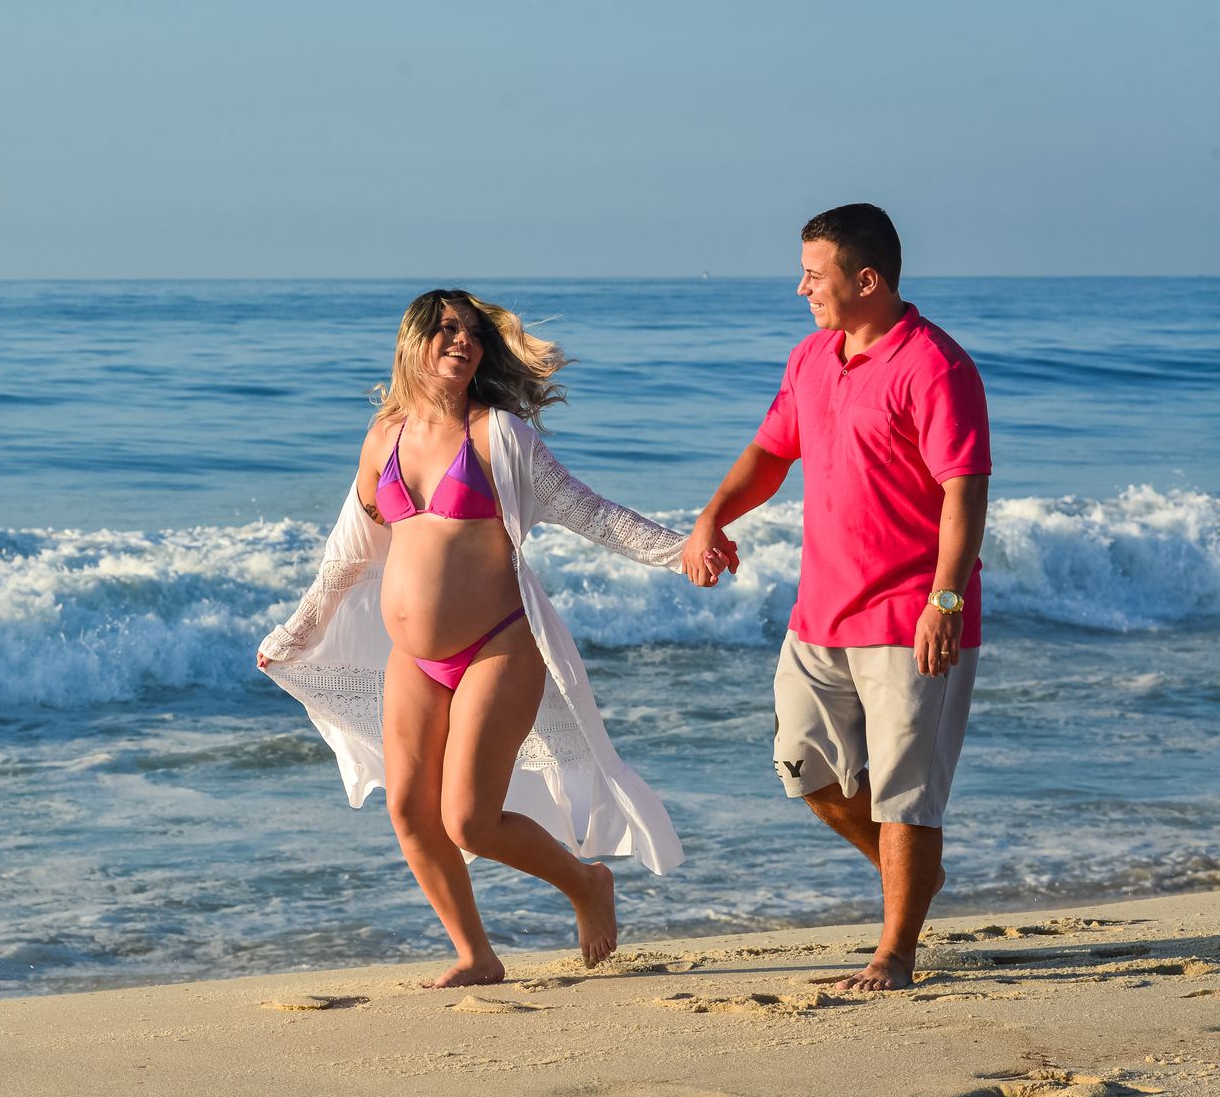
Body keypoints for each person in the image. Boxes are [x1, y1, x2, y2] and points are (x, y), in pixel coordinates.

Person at [256, 289, 725, 988]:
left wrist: (681, 550)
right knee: (410, 812)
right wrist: (296, 632)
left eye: (472, 333)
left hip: (498, 647)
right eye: (445, 329)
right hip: (415, 659)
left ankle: (586, 882)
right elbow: (348, 551)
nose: (461, 341)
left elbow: (592, 514)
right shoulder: (383, 435)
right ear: (412, 342)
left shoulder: (498, 436)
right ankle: (477, 954)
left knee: (469, 821)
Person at [684, 204, 990, 992]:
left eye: (814, 276)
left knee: (905, 795)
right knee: (807, 771)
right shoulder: (812, 358)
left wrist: (945, 601)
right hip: (819, 613)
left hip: (910, 619)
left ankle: (895, 951)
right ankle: (914, 882)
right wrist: (714, 515)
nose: (801, 289)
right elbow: (770, 450)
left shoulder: (935, 366)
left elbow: (965, 490)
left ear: (867, 279)